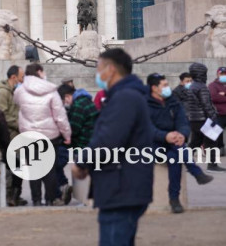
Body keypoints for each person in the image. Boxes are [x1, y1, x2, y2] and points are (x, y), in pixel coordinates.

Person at [72, 49, 154, 246]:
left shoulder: (124, 98)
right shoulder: (126, 96)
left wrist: (82, 163)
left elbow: (108, 141)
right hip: (122, 185)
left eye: (99, 68)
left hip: (122, 188)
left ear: (110, 70)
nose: (97, 74)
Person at [146, 73, 213, 214]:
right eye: (164, 85)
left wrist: (182, 134)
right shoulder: (144, 104)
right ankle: (196, 173)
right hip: (151, 144)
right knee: (177, 153)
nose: (167, 88)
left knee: (175, 157)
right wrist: (165, 136)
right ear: (154, 88)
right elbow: (146, 128)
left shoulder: (173, 102)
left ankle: (174, 199)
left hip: (173, 142)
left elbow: (183, 122)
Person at [15, 63, 71, 206]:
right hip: (49, 135)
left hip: (28, 134)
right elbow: (60, 116)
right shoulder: (51, 91)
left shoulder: (20, 91)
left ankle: (36, 199)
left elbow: (18, 105)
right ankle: (50, 198)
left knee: (34, 169)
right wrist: (67, 134)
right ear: (39, 72)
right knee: (50, 170)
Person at [180, 63, 224, 172]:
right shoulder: (202, 87)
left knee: (195, 142)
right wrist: (213, 117)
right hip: (203, 119)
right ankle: (212, 165)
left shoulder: (192, 86)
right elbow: (206, 104)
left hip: (194, 119)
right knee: (211, 142)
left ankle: (185, 163)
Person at [0, 65, 27, 206]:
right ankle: (8, 195)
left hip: (16, 135)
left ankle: (15, 195)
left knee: (19, 168)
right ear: (13, 77)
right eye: (22, 76)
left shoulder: (14, 91)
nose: (23, 79)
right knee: (11, 168)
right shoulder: (3, 93)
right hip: (8, 137)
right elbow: (2, 116)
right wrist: (20, 124)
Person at [207, 67, 226, 150]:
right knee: (218, 133)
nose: (224, 75)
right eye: (222, 74)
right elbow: (214, 97)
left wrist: (223, 94)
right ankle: (219, 148)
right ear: (217, 74)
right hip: (219, 113)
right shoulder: (212, 85)